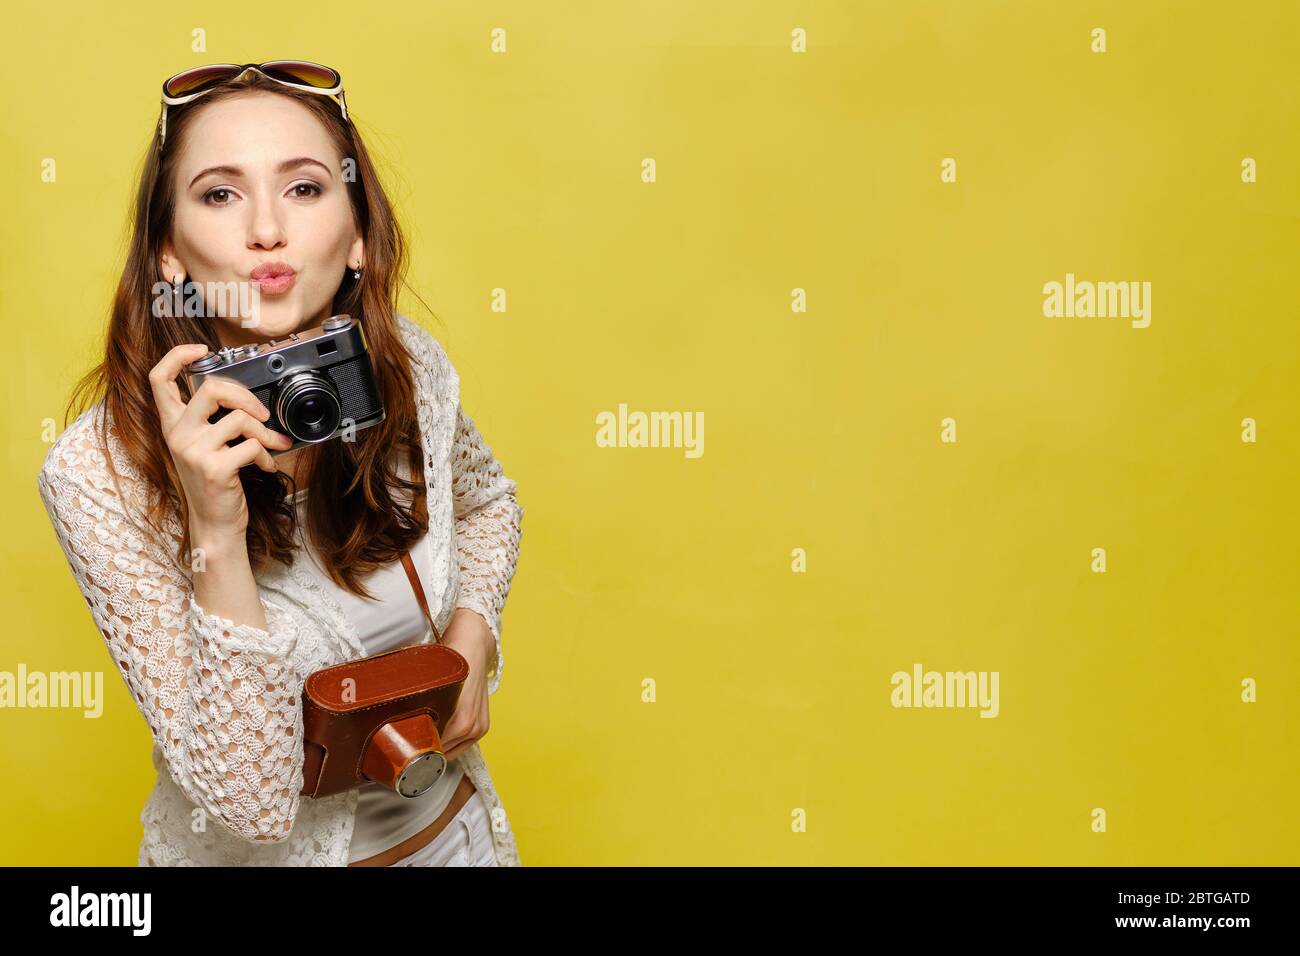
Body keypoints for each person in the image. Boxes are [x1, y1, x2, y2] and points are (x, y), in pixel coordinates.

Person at [35, 62, 523, 866]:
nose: (267, 229)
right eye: (219, 194)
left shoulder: (407, 369)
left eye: (303, 188)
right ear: (170, 258)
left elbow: (487, 503)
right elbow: (252, 804)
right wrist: (214, 531)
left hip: (460, 842)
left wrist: (474, 634)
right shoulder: (99, 473)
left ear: (358, 234)